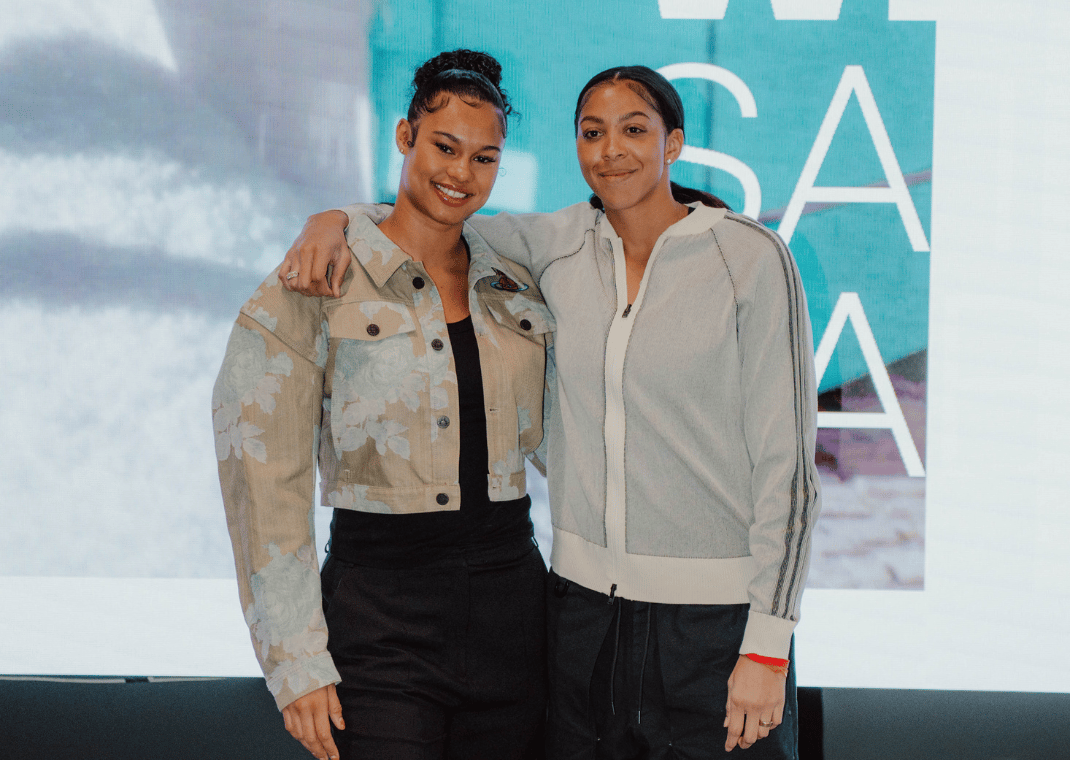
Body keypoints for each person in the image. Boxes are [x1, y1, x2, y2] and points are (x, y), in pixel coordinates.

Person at [280, 65, 821, 759]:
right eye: (592, 133)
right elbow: (437, 216)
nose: (610, 150)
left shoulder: (750, 258)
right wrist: (336, 218)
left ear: (674, 143)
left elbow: (790, 472)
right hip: (579, 619)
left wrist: (768, 648)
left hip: (712, 628)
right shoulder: (555, 244)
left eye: (634, 130)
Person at [213, 50, 553, 760]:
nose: (461, 173)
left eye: (484, 157)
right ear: (405, 136)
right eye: (444, 147)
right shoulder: (319, 278)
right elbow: (260, 480)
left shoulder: (516, 283)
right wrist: (295, 661)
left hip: (513, 617)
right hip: (379, 619)